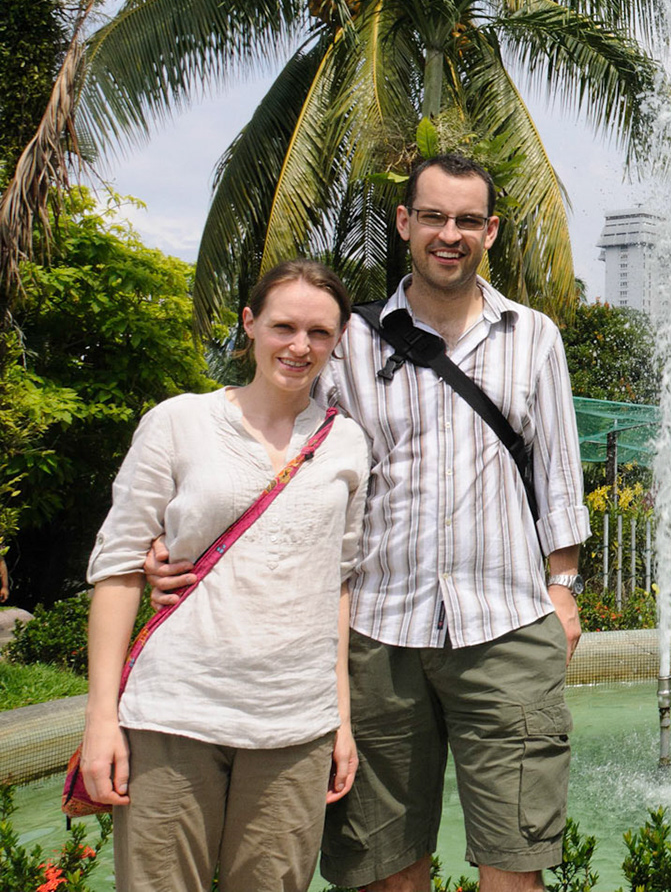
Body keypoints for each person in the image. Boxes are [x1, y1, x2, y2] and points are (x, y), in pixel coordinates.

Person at [150, 154, 589, 892]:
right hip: (377, 631)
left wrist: (565, 587)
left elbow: (559, 472)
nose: (450, 234)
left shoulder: (535, 336)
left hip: (509, 623)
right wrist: (184, 538)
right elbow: (280, 446)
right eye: (434, 217)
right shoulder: (349, 341)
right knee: (384, 867)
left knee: (517, 862)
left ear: (492, 230)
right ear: (405, 223)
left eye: (468, 220)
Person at [83, 259, 369, 891]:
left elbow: (338, 584)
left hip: (294, 721)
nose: (300, 346)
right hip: (174, 710)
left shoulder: (347, 444)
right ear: (250, 325)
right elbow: (121, 567)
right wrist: (102, 716)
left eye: (319, 333)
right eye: (283, 326)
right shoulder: (179, 421)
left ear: (339, 340)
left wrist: (339, 719)